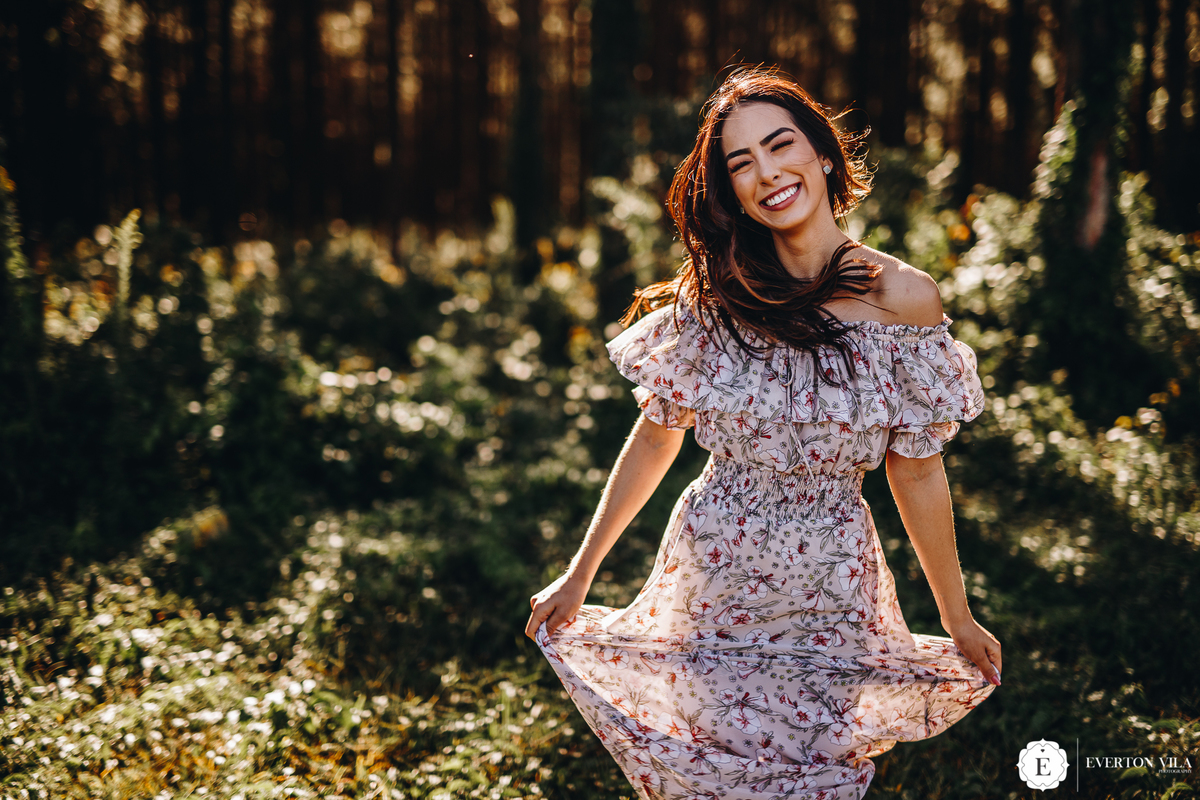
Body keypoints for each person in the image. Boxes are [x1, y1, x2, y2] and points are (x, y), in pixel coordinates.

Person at [525, 67, 1002, 800]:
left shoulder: (904, 299)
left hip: (832, 580)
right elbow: (657, 438)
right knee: (711, 768)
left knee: (814, 775)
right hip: (713, 570)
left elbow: (917, 471)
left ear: (823, 154)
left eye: (780, 146)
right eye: (740, 163)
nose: (766, 173)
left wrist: (955, 615)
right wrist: (581, 573)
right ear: (728, 190)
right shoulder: (717, 298)